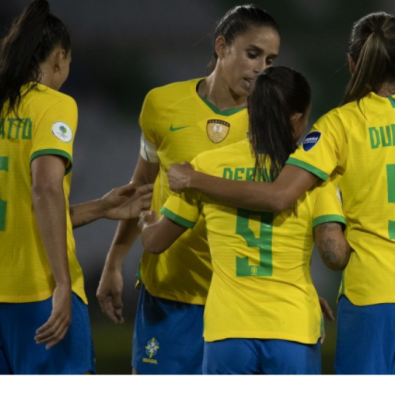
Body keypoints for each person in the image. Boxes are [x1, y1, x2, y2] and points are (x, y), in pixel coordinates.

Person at [166, 12, 395, 374]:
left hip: (372, 294)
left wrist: (197, 180)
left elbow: (279, 196)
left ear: (352, 62)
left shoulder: (337, 126)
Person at [0, 0, 153, 374]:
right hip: (36, 290)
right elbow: (45, 189)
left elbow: (21, 216)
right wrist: (61, 283)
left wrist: (102, 208)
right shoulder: (53, 105)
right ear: (59, 57)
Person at [96, 5, 282, 374]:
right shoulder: (162, 105)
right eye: (253, 54)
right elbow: (142, 188)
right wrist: (114, 262)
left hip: (240, 301)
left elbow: (283, 209)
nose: (262, 68)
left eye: (271, 59)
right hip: (169, 293)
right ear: (221, 46)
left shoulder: (273, 120)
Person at [139, 66, 350, 374]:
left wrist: (145, 222)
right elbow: (333, 254)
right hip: (292, 326)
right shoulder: (311, 175)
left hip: (228, 329)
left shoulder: (205, 167)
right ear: (296, 120)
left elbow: (156, 242)